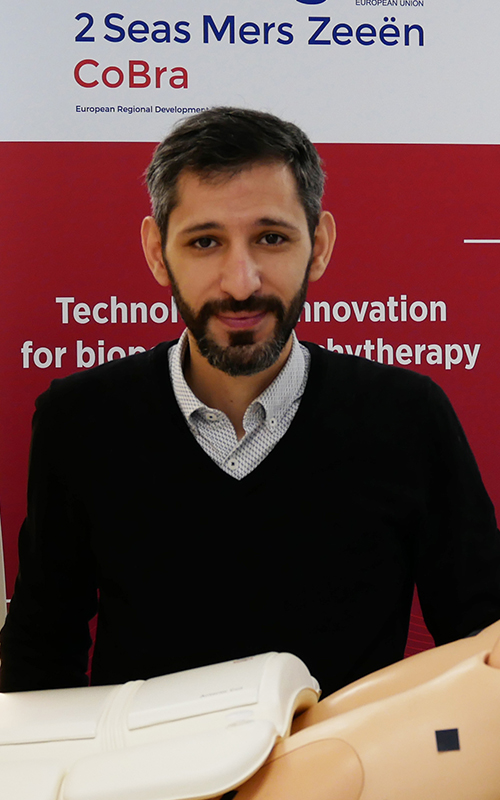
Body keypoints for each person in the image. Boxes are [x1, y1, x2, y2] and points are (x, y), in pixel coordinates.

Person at [1, 107, 500, 695]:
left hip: (353, 757)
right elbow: (39, 654)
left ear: (318, 245)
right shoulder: (80, 420)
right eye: (205, 241)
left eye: (271, 238)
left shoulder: (409, 417)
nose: (241, 282)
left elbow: (483, 646)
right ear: (158, 252)